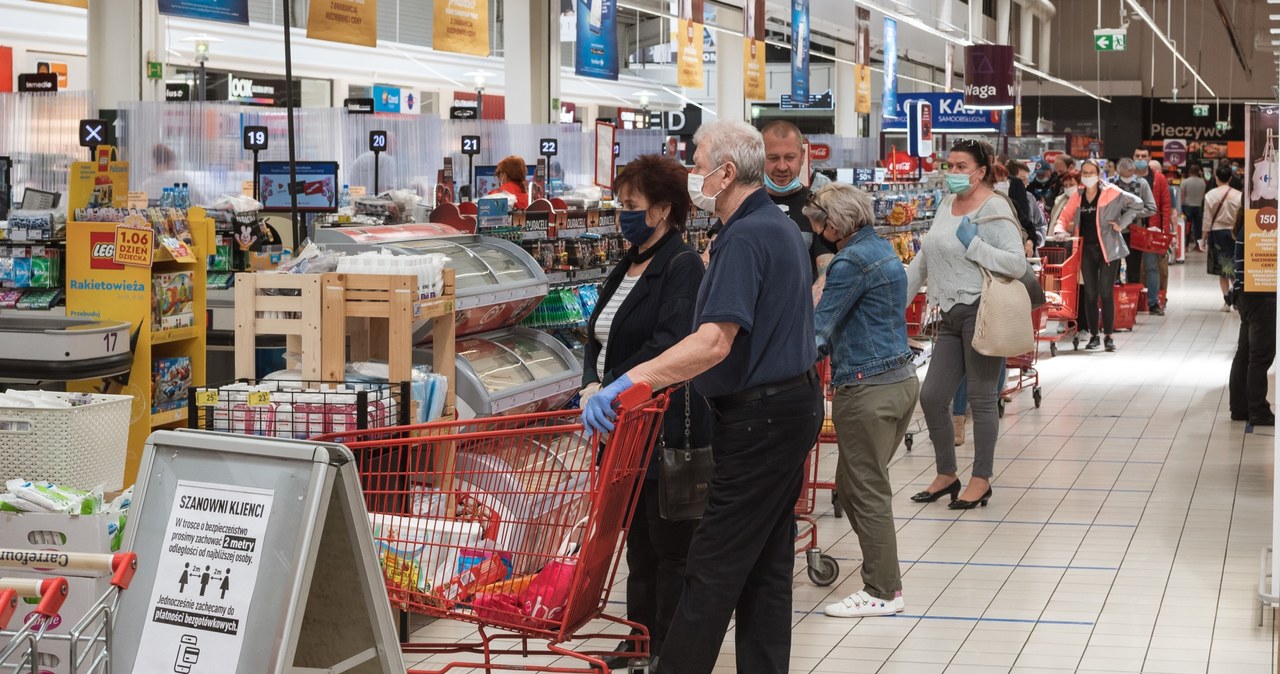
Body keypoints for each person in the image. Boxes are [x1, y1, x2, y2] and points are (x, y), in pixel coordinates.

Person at [581, 120, 822, 674]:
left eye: (697, 161)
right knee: (764, 563)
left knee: (710, 564)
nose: (692, 172)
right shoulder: (774, 226)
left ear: (726, 173)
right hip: (789, 407)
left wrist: (629, 383)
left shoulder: (746, 237)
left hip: (761, 418)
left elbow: (713, 342)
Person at [580, 154, 711, 670]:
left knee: (670, 544)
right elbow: (596, 334)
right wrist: (592, 382)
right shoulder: (626, 264)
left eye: (630, 205)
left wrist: (613, 387)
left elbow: (668, 343)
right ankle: (639, 641)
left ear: (661, 209)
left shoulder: (681, 267)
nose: (621, 213)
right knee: (637, 543)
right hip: (623, 429)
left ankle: (668, 649)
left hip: (664, 428)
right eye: (620, 203)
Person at [807, 183, 918, 618]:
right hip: (899, 382)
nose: (815, 228)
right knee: (853, 489)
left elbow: (821, 329)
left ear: (833, 224)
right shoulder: (883, 249)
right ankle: (881, 578)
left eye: (817, 221)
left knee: (867, 491)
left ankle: (883, 591)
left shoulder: (850, 261)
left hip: (866, 389)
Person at [906, 139, 1026, 510]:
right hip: (948, 313)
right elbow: (925, 258)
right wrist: (897, 301)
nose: (953, 173)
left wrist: (975, 247)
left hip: (982, 311)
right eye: (950, 165)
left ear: (981, 170)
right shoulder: (946, 204)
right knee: (932, 396)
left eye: (961, 167)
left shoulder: (994, 209)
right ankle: (947, 473)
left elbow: (1017, 264)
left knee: (982, 398)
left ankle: (981, 479)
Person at [1053, 160, 1147, 352]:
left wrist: (1122, 222)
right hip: (1086, 249)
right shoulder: (1078, 195)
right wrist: (1059, 230)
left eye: (1091, 172)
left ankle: (1109, 336)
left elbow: (1138, 204)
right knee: (1089, 294)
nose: (1088, 176)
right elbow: (1064, 216)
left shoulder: (1111, 192)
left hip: (1108, 249)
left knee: (1105, 293)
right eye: (1084, 173)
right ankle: (1094, 335)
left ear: (1099, 173)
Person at [760, 120, 835, 281]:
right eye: (773, 158)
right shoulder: (743, 205)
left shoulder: (817, 208)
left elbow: (826, 275)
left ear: (802, 156)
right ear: (760, 156)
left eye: (789, 157)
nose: (782, 166)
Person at [1230, 204, 1277, 426]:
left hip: (1247, 294)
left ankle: (1240, 407)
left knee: (1246, 352)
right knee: (1261, 354)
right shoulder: (1257, 228)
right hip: (1261, 294)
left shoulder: (1246, 225)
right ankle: (1258, 409)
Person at [1112, 157, 1161, 314]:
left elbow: (1152, 208)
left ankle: (1132, 304)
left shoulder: (1142, 184)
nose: (1124, 178)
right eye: (1121, 174)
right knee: (1113, 269)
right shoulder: (1112, 183)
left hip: (1135, 232)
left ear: (1133, 171)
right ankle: (1115, 303)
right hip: (1114, 233)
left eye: (1127, 174)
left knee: (1134, 270)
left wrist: (1133, 214)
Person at [1132, 148, 1174, 313]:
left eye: (1144, 156)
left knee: (1152, 267)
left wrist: (1164, 231)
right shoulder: (1127, 177)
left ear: (1149, 158)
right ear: (1133, 157)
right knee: (1132, 267)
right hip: (1131, 229)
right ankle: (1132, 302)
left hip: (1152, 230)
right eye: (1137, 156)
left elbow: (1165, 205)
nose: (1140, 159)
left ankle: (1153, 303)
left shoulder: (1158, 178)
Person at [1201, 165, 1244, 311]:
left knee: (1223, 270)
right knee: (1234, 266)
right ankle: (1237, 299)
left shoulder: (1210, 195)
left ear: (1216, 177)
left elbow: (1207, 219)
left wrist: (1203, 237)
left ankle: (1228, 301)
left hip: (1217, 233)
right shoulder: (1239, 195)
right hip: (1234, 233)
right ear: (1230, 178)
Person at [139, 144, 208, 206]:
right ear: (171, 162)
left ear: (154, 163)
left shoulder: (146, 185)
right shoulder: (180, 177)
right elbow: (203, 201)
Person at [1181, 162, 1207, 248]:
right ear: (1199, 172)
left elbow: (1182, 195)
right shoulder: (1202, 182)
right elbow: (1203, 196)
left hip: (1187, 206)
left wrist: (1180, 206)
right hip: (1198, 206)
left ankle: (1186, 245)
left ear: (1190, 171)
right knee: (1198, 227)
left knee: (1187, 227)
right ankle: (1198, 245)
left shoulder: (1185, 182)